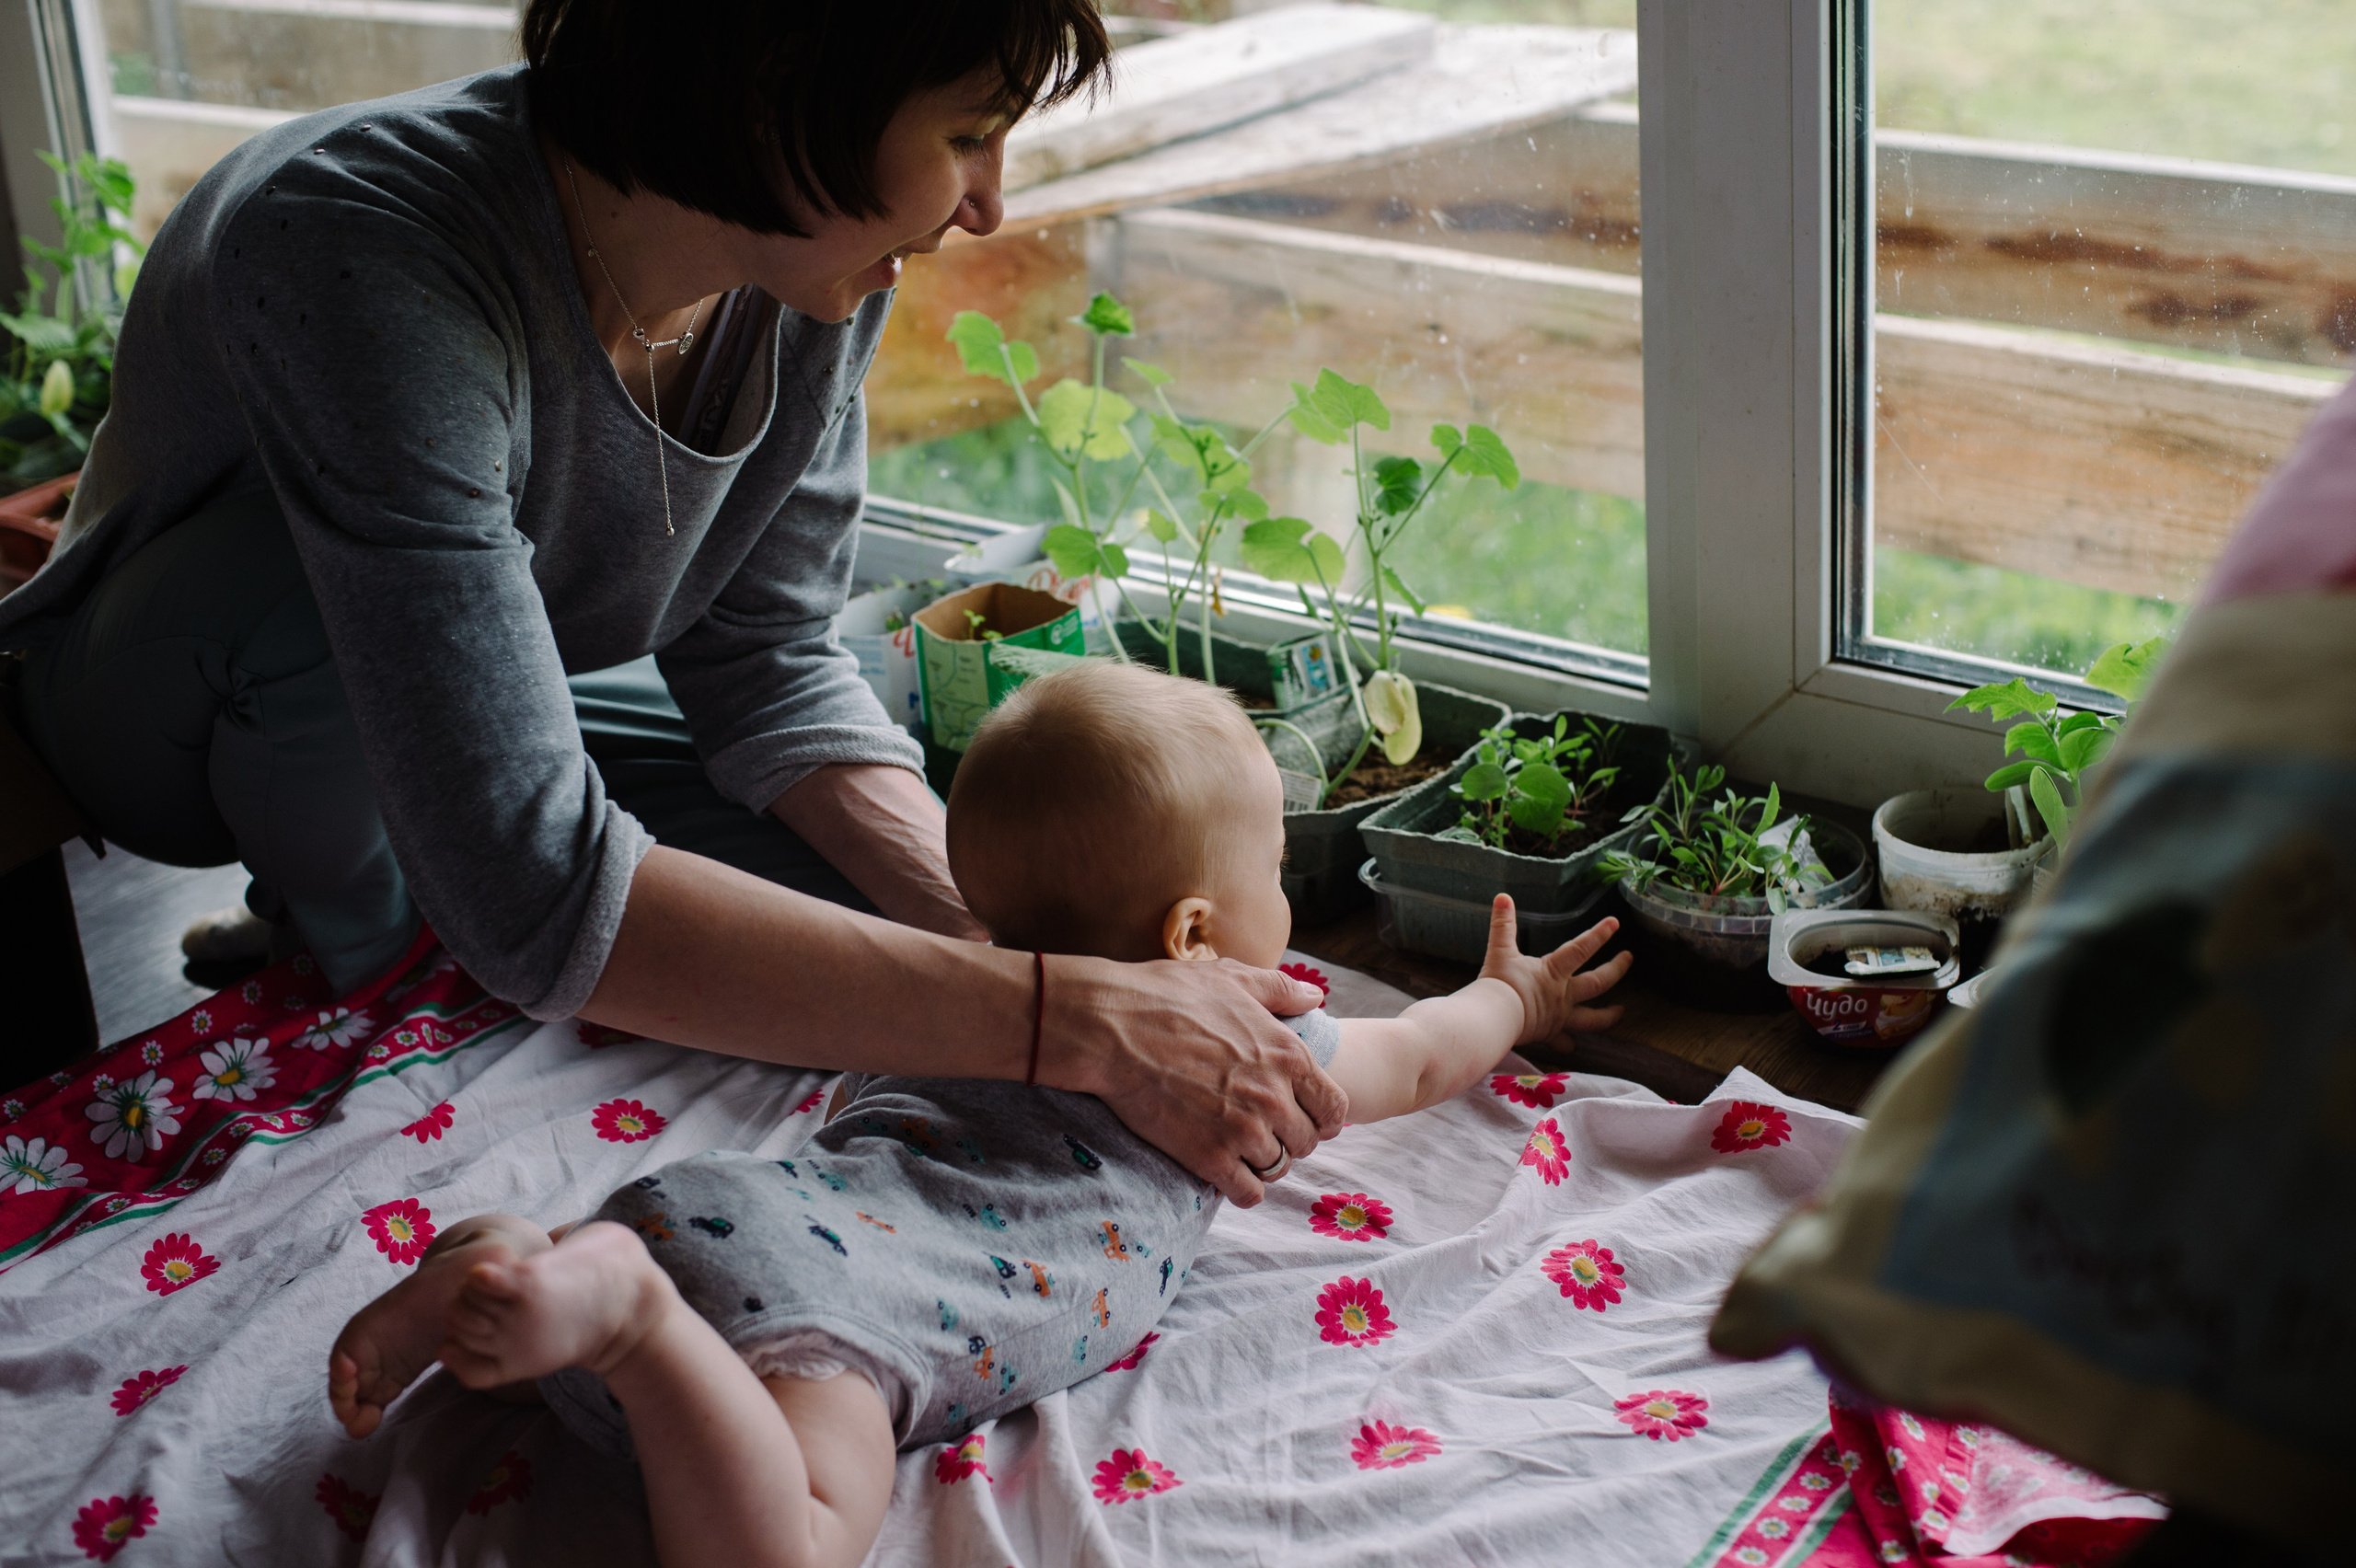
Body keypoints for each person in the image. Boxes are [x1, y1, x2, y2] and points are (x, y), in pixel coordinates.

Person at [0, 0, 1344, 1205]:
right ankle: (370, 985)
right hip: (171, 704)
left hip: (517, 683)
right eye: (972, 134)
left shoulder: (814, 264)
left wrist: (1001, 938)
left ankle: (438, 944)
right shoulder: (359, 244)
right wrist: (1069, 1020)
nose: (988, 203)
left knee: (883, 862)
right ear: (780, 96)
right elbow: (535, 875)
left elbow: (765, 657)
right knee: (377, 708)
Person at [327, 663, 1634, 1568]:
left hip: (737, 1209)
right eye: (1273, 869)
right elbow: (1413, 1057)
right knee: (788, 1540)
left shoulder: (950, 994)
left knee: (584, 1372)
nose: (1284, 906)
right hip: (849, 1314)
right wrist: (1510, 1003)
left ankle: (495, 1261)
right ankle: (628, 1313)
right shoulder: (1248, 1023)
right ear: (1194, 935)